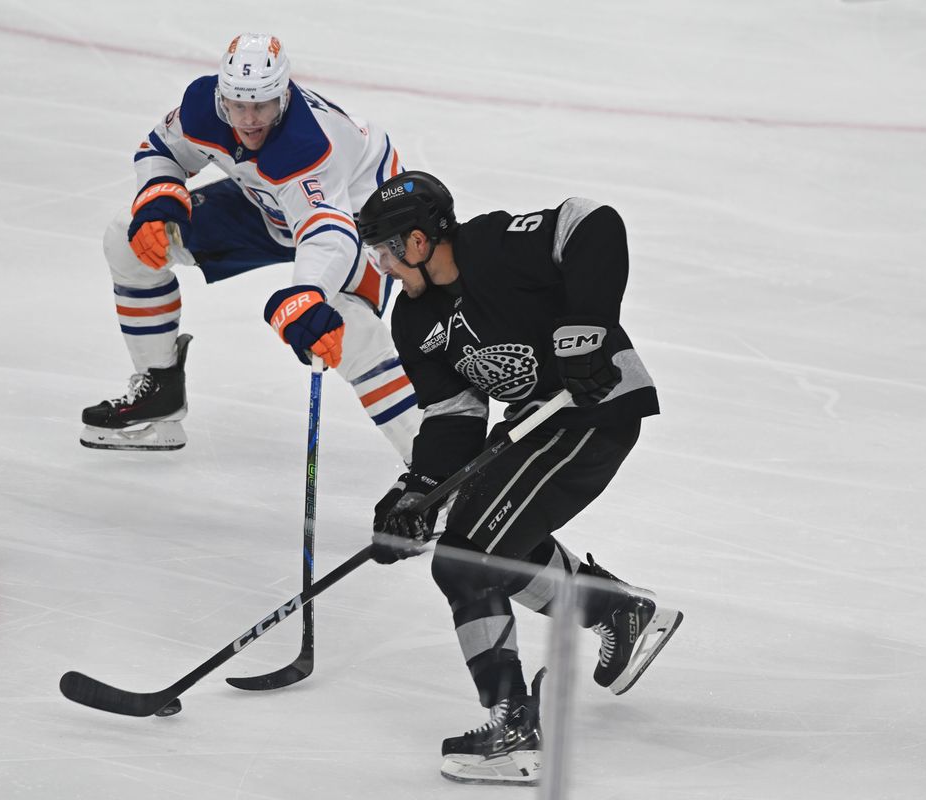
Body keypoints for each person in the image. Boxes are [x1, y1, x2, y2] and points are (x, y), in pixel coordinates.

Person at [356, 171, 684, 785]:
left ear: (419, 241)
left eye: (386, 252)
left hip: (593, 412)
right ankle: (616, 611)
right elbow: (454, 414)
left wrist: (585, 326)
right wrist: (418, 489)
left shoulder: (496, 245)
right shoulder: (414, 319)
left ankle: (512, 728)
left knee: (465, 560)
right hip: (539, 424)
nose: (384, 267)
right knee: (484, 535)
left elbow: (593, 221)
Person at [81, 33, 419, 459]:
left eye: (261, 104)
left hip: (360, 221)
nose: (249, 119)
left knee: (349, 331)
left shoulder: (307, 143)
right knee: (127, 237)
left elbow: (327, 232)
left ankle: (435, 469)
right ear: (223, 96)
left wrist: (307, 295)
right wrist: (160, 193)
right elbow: (162, 146)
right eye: (238, 104)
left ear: (284, 95)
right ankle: (160, 391)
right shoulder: (204, 107)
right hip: (271, 208)